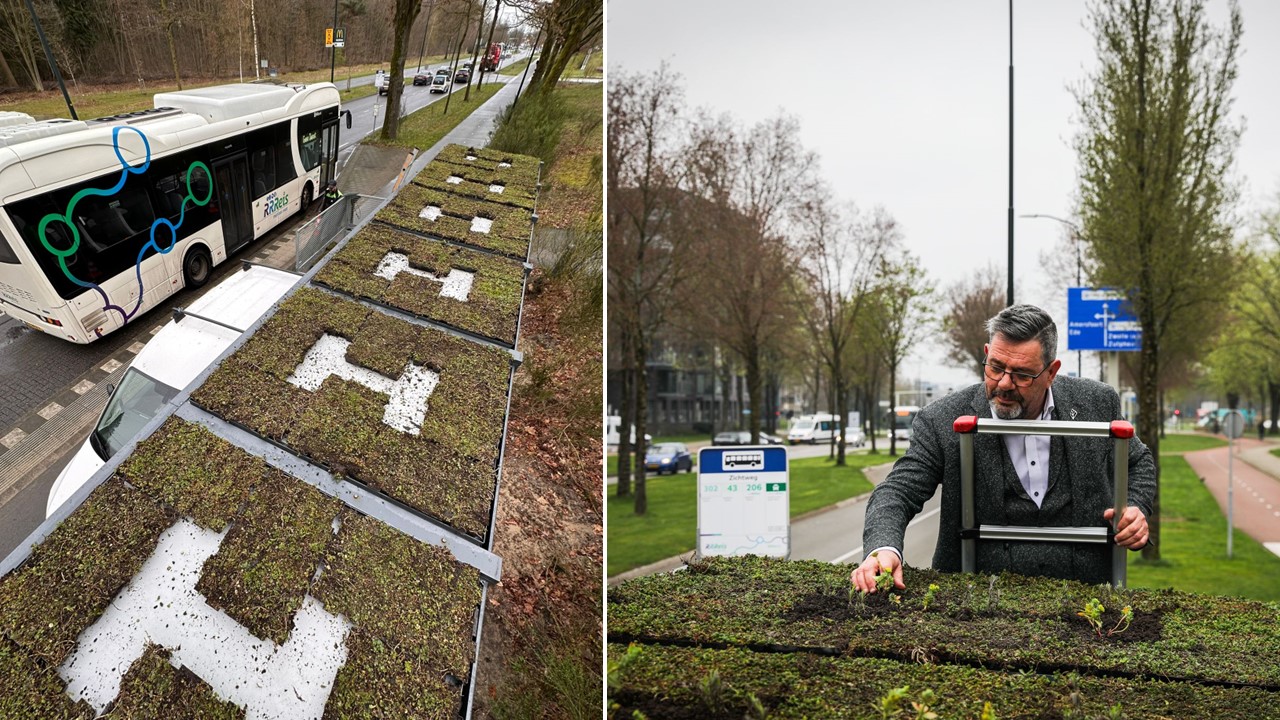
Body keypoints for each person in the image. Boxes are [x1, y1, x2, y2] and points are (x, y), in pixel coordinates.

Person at [853, 304, 1155, 593]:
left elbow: (1138, 462)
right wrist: (883, 549)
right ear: (986, 354)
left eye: (1023, 374)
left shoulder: (1095, 403)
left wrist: (1135, 508)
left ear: (1052, 372)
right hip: (976, 610)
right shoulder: (942, 419)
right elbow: (897, 491)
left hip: (1086, 608)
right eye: (996, 367)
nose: (1005, 384)